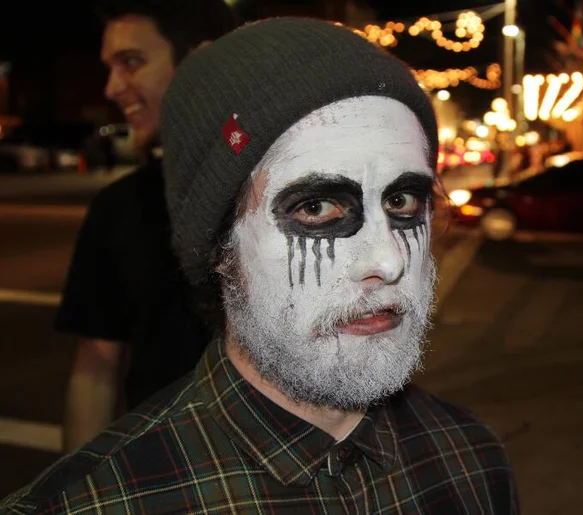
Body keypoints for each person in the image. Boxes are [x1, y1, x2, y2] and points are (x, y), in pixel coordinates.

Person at [2, 18, 517, 513]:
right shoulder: (97, 503)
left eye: (404, 201)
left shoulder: (470, 460)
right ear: (218, 247)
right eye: (316, 208)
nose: (387, 259)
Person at [56, 0, 236, 452]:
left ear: (203, 61)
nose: (113, 87)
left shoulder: (289, 189)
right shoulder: (118, 206)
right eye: (110, 67)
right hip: (162, 477)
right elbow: (96, 367)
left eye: (131, 62)